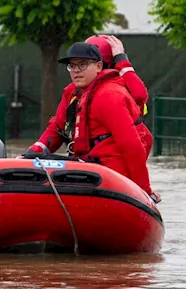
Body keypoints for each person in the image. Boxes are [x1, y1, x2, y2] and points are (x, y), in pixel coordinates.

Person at [24, 42, 157, 202]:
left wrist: (144, 190)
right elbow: (57, 128)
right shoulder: (74, 93)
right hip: (87, 166)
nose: (76, 70)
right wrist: (32, 153)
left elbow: (131, 146)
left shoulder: (109, 96)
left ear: (100, 66)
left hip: (111, 176)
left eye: (83, 64)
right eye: (72, 66)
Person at [84, 34, 154, 155]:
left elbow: (140, 95)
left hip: (105, 155)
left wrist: (122, 61)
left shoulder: (116, 87)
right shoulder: (76, 89)